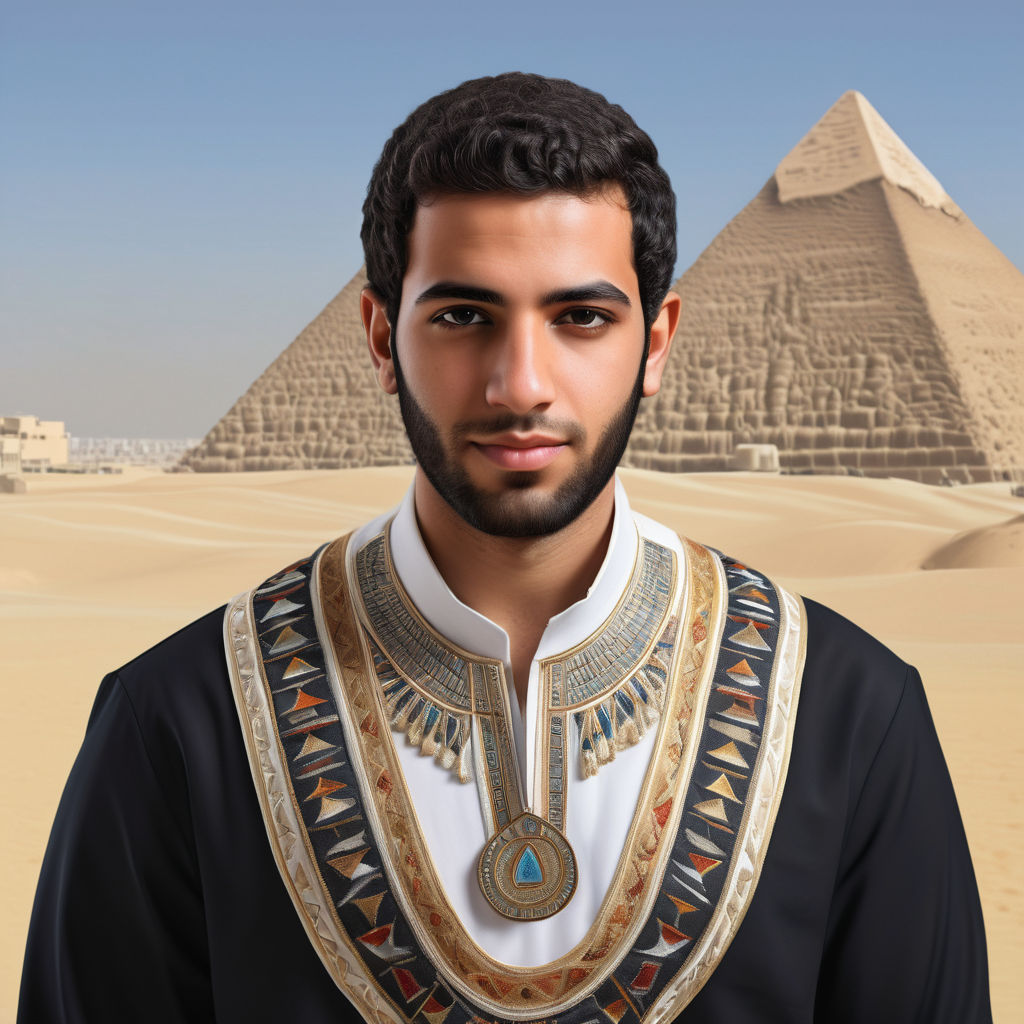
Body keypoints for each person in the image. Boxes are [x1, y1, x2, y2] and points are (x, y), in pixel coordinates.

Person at [19, 73, 991, 1024]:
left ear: (655, 342)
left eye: (579, 317)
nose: (519, 381)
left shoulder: (847, 714)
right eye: (461, 316)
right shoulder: (181, 719)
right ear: (377, 334)